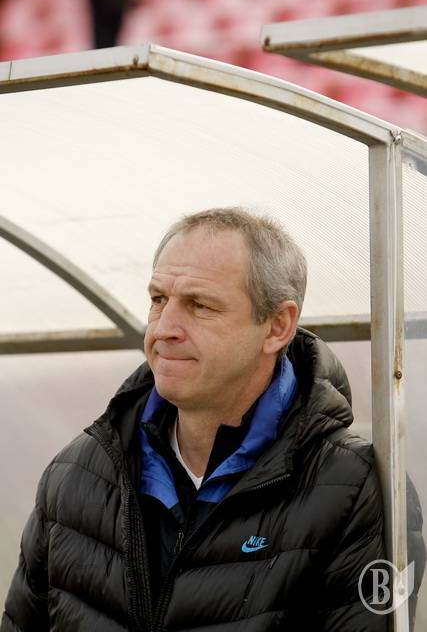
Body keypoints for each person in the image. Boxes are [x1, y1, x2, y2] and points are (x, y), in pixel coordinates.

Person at [0, 207, 397, 630]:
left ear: (277, 327)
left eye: (199, 305)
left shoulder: (349, 487)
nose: (164, 328)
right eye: (158, 300)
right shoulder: (75, 475)